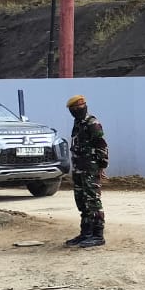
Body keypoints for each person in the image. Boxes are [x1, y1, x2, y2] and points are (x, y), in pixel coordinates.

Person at [65, 95, 108, 249]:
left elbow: (101, 145)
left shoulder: (92, 123)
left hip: (90, 168)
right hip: (79, 168)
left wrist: (102, 166)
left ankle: (98, 235)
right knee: (82, 201)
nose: (78, 109)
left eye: (80, 106)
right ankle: (86, 233)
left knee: (93, 201)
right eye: (75, 108)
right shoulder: (77, 123)